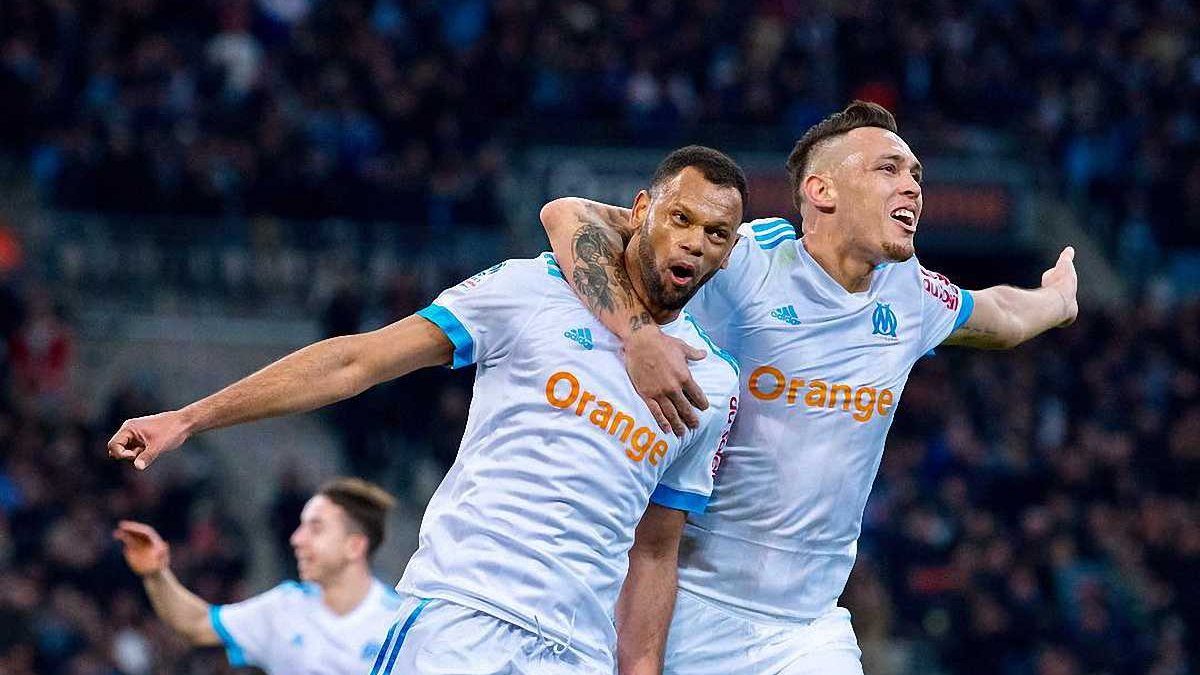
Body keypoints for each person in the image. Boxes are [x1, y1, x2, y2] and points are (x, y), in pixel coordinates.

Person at [108, 145, 745, 674]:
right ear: (641, 211)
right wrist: (188, 418)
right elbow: (355, 362)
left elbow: (655, 552)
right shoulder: (529, 290)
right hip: (459, 619)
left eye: (716, 234)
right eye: (681, 219)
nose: (694, 243)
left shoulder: (713, 384)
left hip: (579, 653)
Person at [539, 101, 1079, 674]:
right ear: (822, 191)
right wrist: (640, 335)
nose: (913, 187)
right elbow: (569, 215)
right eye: (889, 169)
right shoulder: (746, 260)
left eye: (916, 175)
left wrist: (1057, 301)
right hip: (685, 605)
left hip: (808, 628)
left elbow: (998, 315)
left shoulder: (908, 293)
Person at [113, 477, 403, 675]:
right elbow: (197, 624)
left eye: (315, 528)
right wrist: (156, 574)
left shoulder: (401, 625)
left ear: (354, 546)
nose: (297, 539)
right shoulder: (285, 607)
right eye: (300, 526)